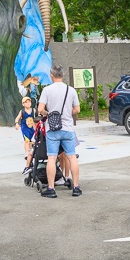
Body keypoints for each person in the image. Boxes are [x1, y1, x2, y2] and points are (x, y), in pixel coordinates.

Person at [37, 64, 81, 198]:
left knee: (52, 157)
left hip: (53, 129)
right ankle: (76, 187)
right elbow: (77, 110)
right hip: (68, 129)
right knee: (72, 157)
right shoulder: (71, 90)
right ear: (63, 75)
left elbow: (40, 109)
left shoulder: (47, 90)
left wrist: (47, 113)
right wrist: (67, 113)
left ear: (51, 75)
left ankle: (51, 188)